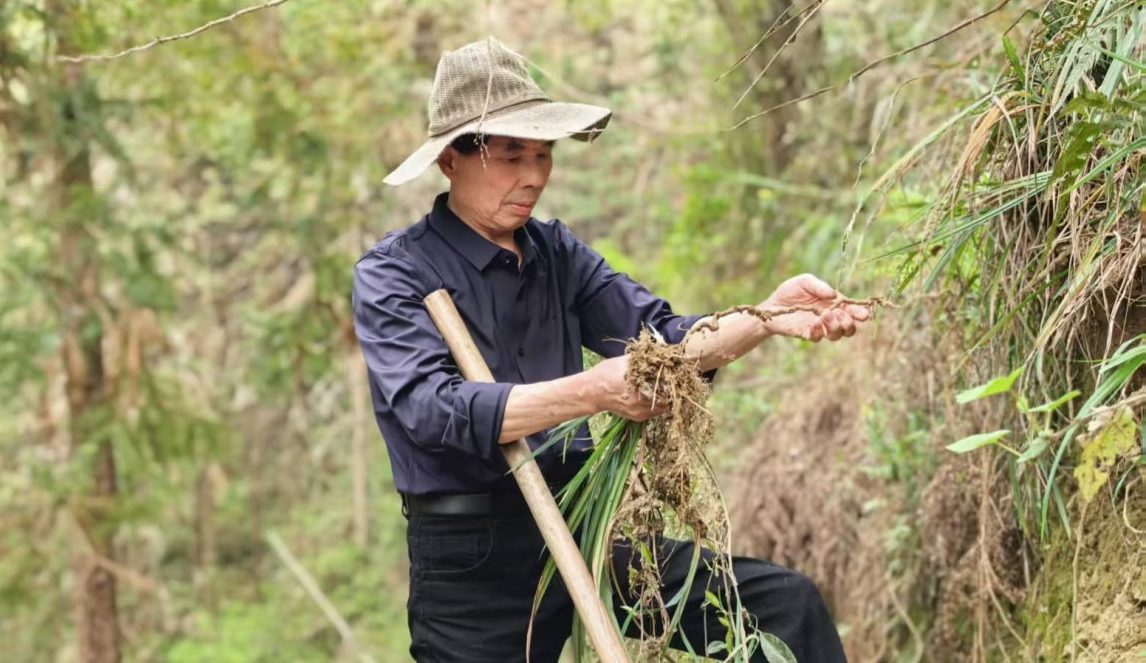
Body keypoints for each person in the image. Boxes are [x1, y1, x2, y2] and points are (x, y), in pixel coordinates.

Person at [352, 38, 860, 662]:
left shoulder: (555, 253)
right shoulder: (396, 273)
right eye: (511, 156)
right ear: (450, 160)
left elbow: (665, 340)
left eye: (543, 154)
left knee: (783, 609)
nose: (534, 175)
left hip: (583, 521)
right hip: (471, 556)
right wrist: (592, 392)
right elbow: (433, 412)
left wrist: (766, 317)